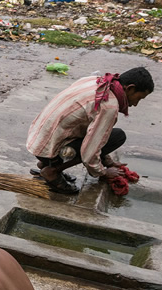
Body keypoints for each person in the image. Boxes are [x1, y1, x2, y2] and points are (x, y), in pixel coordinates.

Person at [26, 67, 154, 195]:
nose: (136, 104)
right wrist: (103, 171)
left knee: (102, 134)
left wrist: (108, 161)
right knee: (117, 136)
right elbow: (90, 152)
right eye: (139, 98)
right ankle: (52, 171)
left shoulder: (96, 80)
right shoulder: (109, 106)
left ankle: (46, 163)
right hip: (50, 147)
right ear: (130, 88)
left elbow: (93, 132)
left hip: (38, 140)